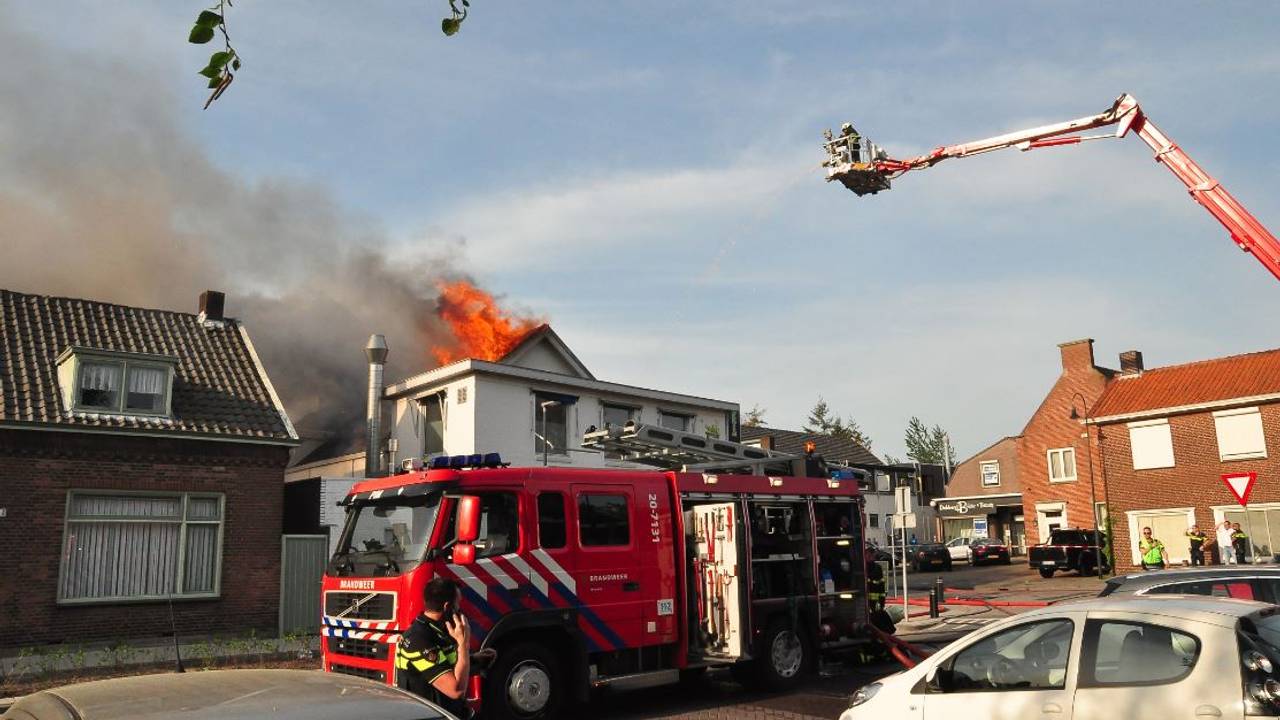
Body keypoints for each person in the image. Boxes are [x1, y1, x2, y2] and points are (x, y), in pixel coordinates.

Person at [396, 577, 471, 717]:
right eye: (458, 603)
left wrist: (475, 658)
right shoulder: (418, 639)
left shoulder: (436, 629)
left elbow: (447, 664)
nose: (459, 609)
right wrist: (464, 645)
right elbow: (456, 691)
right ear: (447, 607)